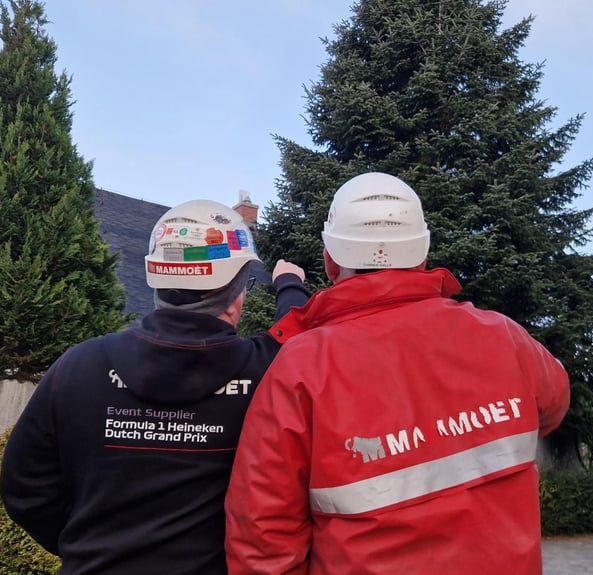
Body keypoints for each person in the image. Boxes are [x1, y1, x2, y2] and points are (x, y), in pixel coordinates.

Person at [225, 172, 571, 575]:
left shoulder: (301, 366)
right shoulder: (503, 336)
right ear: (421, 255)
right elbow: (553, 402)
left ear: (330, 260)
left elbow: (263, 535)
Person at [0, 199, 309, 575]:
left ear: (156, 276)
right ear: (238, 292)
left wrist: (90, 545)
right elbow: (296, 339)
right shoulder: (264, 371)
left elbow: (24, 489)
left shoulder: (80, 366)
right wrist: (289, 285)